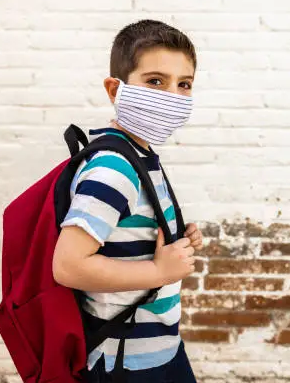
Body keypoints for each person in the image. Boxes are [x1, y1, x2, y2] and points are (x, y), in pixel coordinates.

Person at [52, 19, 203, 383]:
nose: (172, 96)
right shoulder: (114, 169)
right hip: (125, 360)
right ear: (114, 89)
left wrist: (176, 235)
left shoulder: (139, 155)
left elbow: (129, 229)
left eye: (184, 84)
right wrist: (159, 272)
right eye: (155, 81)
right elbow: (68, 267)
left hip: (157, 346)